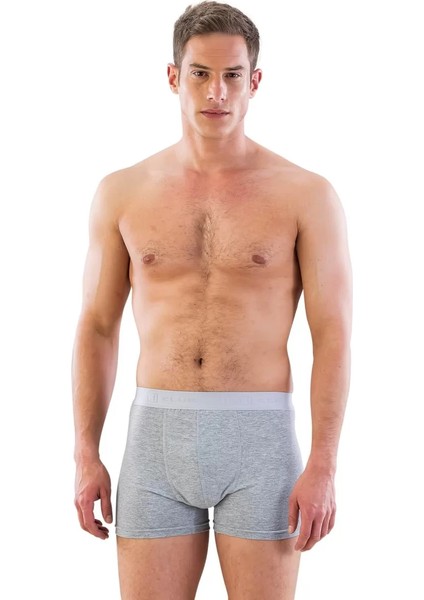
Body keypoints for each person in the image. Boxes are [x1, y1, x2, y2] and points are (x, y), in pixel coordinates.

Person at [72, 1, 352, 598]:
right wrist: (85, 453)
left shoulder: (306, 195)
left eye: (232, 75)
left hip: (260, 442)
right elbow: (97, 326)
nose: (216, 91)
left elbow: (332, 334)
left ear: (255, 81)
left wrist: (324, 464)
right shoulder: (122, 192)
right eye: (200, 73)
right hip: (155, 438)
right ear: (174, 77)